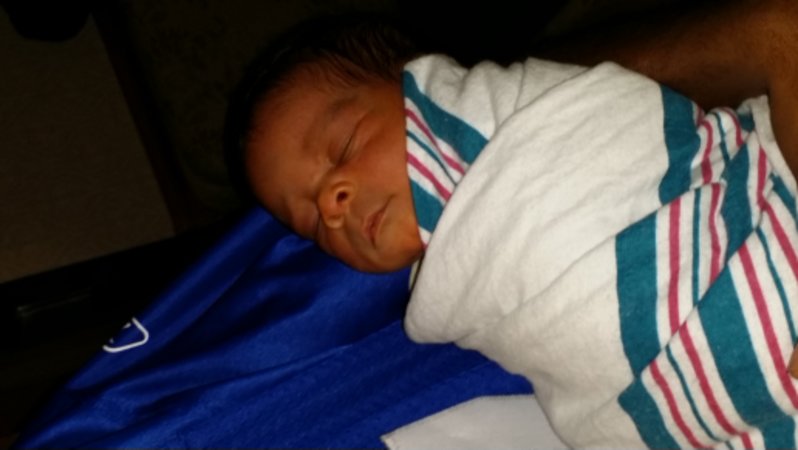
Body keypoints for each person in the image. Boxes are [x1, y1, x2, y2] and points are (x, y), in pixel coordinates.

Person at [227, 1, 798, 447]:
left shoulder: (525, 117)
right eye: (311, 222)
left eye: (344, 145)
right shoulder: (453, 294)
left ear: (420, 84)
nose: (333, 205)